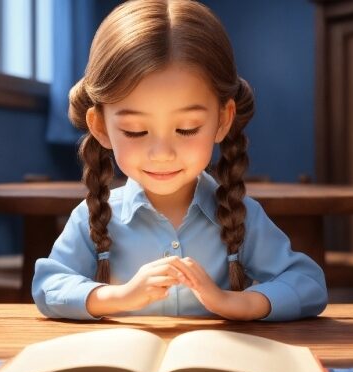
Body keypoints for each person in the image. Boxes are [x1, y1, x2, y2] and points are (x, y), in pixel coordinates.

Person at [32, 0, 327, 321]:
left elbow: (308, 284)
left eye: (186, 129)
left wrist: (232, 303)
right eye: (136, 131)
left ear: (223, 120)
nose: (162, 153)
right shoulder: (93, 218)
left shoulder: (242, 217)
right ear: (101, 126)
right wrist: (119, 296)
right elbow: (48, 285)